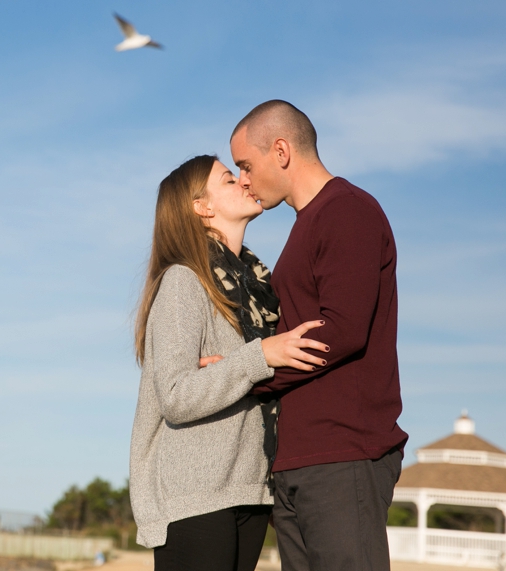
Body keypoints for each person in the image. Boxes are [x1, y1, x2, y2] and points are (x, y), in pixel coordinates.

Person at [230, 100, 409, 571]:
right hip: (298, 459)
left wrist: (249, 374)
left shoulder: (348, 211)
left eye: (246, 165)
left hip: (343, 453)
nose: (243, 180)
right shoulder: (306, 224)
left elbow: (343, 331)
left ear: (282, 150)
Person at [129, 154, 329, 571]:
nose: (243, 181)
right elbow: (176, 397)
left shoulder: (259, 289)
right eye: (227, 178)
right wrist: (260, 356)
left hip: (251, 489)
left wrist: (240, 364)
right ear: (202, 207)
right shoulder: (184, 280)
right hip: (195, 495)